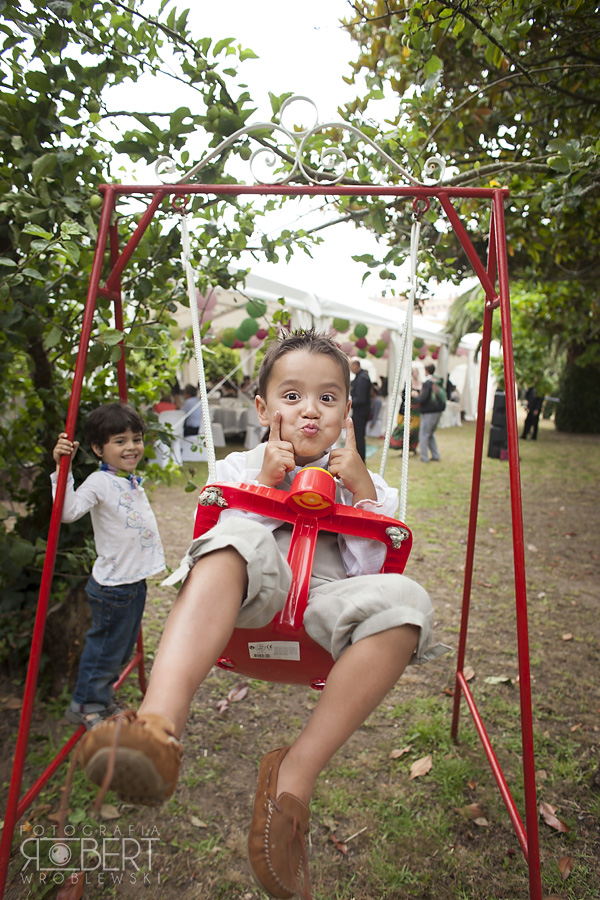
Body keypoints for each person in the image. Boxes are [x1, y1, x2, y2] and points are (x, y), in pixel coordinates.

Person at [77, 330, 446, 898]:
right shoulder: (237, 468)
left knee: (408, 601)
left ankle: (293, 779)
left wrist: (362, 492)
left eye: (327, 398)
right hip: (251, 600)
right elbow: (215, 539)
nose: (309, 411)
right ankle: (157, 726)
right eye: (292, 396)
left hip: (326, 613)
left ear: (347, 412)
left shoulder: (367, 484)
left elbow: (373, 570)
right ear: (262, 408)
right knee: (234, 539)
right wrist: (265, 484)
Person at [51, 403, 165, 729]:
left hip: (133, 581)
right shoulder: (100, 482)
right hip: (113, 587)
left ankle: (100, 698)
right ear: (98, 449)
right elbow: (67, 512)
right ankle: (85, 705)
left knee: (121, 649)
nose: (131, 447)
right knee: (105, 651)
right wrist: (62, 469)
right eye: (120, 441)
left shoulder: (127, 479)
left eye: (136, 439)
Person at [415, 363, 446, 462]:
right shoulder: (437, 381)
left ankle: (424, 457)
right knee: (430, 434)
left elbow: (423, 398)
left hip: (429, 411)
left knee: (424, 434)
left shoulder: (428, 383)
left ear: (426, 371)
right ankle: (435, 455)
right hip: (438, 411)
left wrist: (416, 396)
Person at [349, 356, 371, 461]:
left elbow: (361, 398)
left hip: (361, 412)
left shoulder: (362, 378)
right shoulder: (359, 377)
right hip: (359, 411)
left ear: (356, 365)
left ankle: (360, 460)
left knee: (359, 437)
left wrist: (349, 402)